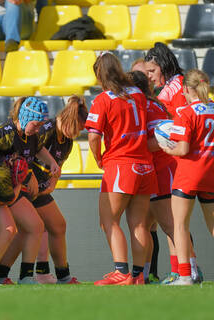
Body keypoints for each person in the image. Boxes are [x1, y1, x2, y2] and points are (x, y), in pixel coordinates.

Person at [86, 52, 158, 286]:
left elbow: (94, 136)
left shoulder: (103, 99)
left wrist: (98, 158)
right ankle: (138, 276)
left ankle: (121, 271)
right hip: (145, 164)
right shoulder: (138, 94)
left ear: (99, 74)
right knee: (139, 224)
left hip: (121, 164)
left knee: (108, 220)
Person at [0, 97, 61, 284]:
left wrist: (51, 162)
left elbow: (38, 148)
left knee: (34, 227)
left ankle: (21, 276)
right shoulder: (7, 132)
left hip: (14, 189)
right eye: (36, 125)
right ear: (26, 117)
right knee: (15, 229)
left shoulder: (30, 134)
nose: (38, 129)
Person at [160, 69, 214, 285]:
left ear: (186, 90)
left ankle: (184, 276)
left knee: (179, 225)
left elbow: (182, 149)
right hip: (211, 172)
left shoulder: (185, 112)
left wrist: (166, 148)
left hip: (190, 173)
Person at [29, 95, 87, 284]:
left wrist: (51, 185)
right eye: (78, 128)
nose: (78, 133)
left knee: (58, 225)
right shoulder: (46, 130)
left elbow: (57, 170)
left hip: (41, 189)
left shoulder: (68, 141)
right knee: (23, 229)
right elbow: (26, 154)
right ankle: (1, 275)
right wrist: (30, 182)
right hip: (25, 186)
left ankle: (63, 275)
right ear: (70, 120)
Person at [127, 70, 176, 284]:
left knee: (171, 226)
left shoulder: (150, 107)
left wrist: (137, 148)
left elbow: (163, 139)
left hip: (161, 171)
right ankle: (143, 274)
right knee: (145, 226)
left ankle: (186, 271)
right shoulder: (143, 106)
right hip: (149, 172)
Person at [144, 42, 186, 117]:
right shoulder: (170, 85)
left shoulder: (178, 87)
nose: (149, 76)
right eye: (148, 72)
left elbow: (182, 119)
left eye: (152, 71)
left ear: (164, 66)